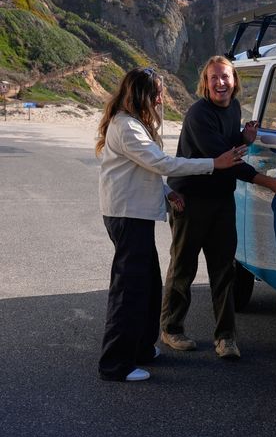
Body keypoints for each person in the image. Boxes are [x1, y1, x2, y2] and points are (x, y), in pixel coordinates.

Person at [96, 67, 246, 382]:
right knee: (128, 291)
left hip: (136, 214)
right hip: (127, 216)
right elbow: (162, 163)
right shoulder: (127, 127)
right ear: (143, 95)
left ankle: (141, 348)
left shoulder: (132, 124)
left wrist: (167, 192)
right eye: (157, 94)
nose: (161, 100)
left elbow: (142, 169)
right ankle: (115, 364)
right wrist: (214, 163)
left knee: (148, 285)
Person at [160, 55, 276, 360]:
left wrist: (244, 137)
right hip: (190, 199)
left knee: (224, 270)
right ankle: (171, 329)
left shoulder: (233, 108)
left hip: (221, 199)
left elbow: (229, 146)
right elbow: (226, 161)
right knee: (183, 267)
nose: (220, 83)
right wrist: (268, 182)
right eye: (214, 78)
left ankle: (226, 338)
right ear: (205, 84)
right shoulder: (198, 114)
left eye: (225, 77)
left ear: (234, 81)